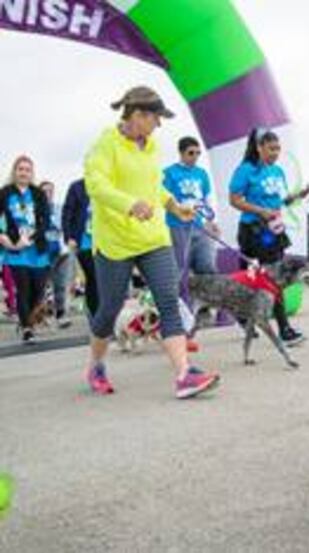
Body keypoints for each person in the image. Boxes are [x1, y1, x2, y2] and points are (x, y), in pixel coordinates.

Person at [82, 85, 220, 399]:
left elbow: (154, 186)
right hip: (115, 242)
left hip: (154, 238)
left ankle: (184, 374)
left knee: (169, 300)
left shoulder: (152, 145)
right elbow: (96, 185)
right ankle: (96, 364)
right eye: (156, 118)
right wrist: (129, 204)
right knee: (109, 309)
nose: (159, 125)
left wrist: (173, 205)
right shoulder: (106, 144)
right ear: (137, 115)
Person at [229, 128, 308, 347]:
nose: (275, 153)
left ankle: (282, 328)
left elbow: (279, 201)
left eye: (278, 148)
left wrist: (297, 196)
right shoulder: (246, 170)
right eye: (271, 148)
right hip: (253, 231)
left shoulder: (277, 171)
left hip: (274, 230)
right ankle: (277, 327)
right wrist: (260, 211)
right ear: (259, 147)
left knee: (273, 277)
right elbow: (234, 200)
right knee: (255, 277)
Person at [163, 136, 220, 352]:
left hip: (199, 226)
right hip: (178, 226)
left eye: (197, 153)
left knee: (208, 267)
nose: (195, 157)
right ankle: (180, 327)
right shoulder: (169, 173)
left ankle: (206, 309)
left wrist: (211, 222)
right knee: (179, 275)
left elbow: (205, 201)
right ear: (181, 153)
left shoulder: (202, 174)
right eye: (190, 153)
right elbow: (165, 200)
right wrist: (178, 208)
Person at [0, 156, 51, 343]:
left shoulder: (38, 194)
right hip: (15, 251)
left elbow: (46, 221)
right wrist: (7, 241)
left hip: (36, 249)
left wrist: (31, 237)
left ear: (32, 173)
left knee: (37, 290)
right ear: (15, 171)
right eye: (20, 169)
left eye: (27, 169)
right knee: (23, 289)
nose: (23, 173)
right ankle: (27, 328)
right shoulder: (4, 193)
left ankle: (28, 320)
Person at [38, 180, 73, 329]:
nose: (48, 194)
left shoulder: (59, 209)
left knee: (60, 285)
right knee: (41, 288)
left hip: (62, 252)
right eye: (45, 191)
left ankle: (60, 315)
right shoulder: (35, 210)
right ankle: (38, 317)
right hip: (44, 254)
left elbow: (67, 224)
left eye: (50, 191)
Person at [62, 179, 98, 320]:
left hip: (105, 242)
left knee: (102, 279)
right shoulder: (76, 187)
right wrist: (68, 236)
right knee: (93, 276)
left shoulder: (107, 184)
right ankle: (95, 316)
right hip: (84, 242)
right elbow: (67, 212)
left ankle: (100, 314)